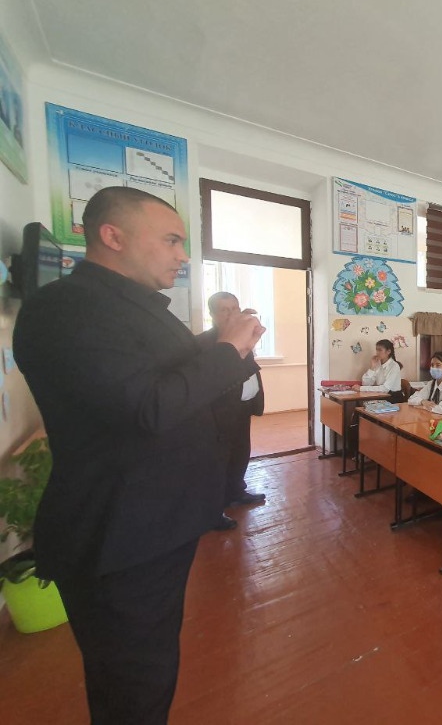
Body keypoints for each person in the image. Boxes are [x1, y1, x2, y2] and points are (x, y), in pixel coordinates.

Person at [12, 187, 266, 725]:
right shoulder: (67, 309)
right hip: (122, 537)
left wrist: (230, 344)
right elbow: (149, 405)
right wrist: (227, 349)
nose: (182, 255)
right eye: (171, 240)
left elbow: (172, 370)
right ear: (113, 235)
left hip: (155, 526)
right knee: (135, 683)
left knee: (145, 666)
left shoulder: (127, 307)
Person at [199, 292, 267, 532]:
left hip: (242, 407)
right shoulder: (205, 343)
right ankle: (212, 511)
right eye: (224, 310)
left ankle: (236, 492)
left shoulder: (243, 336)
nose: (231, 315)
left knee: (240, 452)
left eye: (234, 309)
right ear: (212, 314)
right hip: (220, 411)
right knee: (218, 460)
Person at [408, 351, 442, 417]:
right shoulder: (431, 383)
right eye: (432, 365)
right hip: (434, 417)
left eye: (438, 365)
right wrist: (422, 401)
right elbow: (411, 399)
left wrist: (423, 407)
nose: (434, 368)